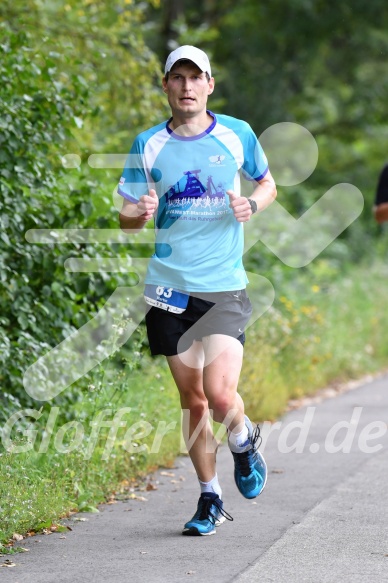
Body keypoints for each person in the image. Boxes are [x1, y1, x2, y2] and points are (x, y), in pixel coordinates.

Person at [118, 45, 277, 536]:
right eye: (177, 77)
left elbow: (267, 183)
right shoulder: (147, 144)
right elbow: (124, 219)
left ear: (210, 84)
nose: (187, 86)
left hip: (224, 287)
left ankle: (244, 440)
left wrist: (253, 204)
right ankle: (210, 497)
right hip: (169, 289)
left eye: (196, 77)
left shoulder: (237, 134)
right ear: (165, 85)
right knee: (194, 403)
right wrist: (138, 214)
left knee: (221, 394)